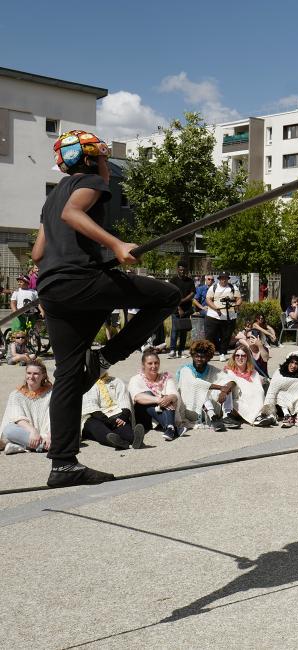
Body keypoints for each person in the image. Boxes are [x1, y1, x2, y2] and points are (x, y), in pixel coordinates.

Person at [33, 130, 181, 487]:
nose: (108, 169)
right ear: (90, 161)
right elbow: (73, 213)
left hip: (52, 289)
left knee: (69, 376)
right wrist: (115, 245)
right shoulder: (89, 183)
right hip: (80, 280)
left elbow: (38, 253)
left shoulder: (51, 199)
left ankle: (64, 465)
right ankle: (105, 357)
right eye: (104, 160)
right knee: (168, 296)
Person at [176, 339, 239, 432]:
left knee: (227, 385)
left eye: (203, 357)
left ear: (208, 357)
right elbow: (195, 383)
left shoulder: (211, 369)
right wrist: (220, 388)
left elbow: (231, 380)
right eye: (196, 356)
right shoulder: (185, 370)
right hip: (192, 410)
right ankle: (213, 418)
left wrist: (225, 390)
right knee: (201, 388)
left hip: (208, 407)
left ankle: (227, 417)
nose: (199, 359)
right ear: (192, 355)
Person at [128, 349, 183, 441]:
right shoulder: (136, 379)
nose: (154, 366)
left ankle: (170, 428)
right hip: (144, 417)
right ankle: (173, 427)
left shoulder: (165, 377)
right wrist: (159, 400)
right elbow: (137, 397)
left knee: (170, 398)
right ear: (143, 365)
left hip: (163, 412)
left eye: (156, 363)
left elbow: (174, 394)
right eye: (150, 363)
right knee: (147, 394)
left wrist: (169, 397)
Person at [81, 373, 145, 450]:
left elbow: (124, 401)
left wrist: (123, 417)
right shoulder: (87, 384)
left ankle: (134, 439)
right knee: (98, 428)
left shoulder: (116, 381)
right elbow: (92, 407)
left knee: (124, 429)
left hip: (115, 415)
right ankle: (117, 442)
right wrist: (110, 421)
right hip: (94, 417)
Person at [0, 360, 52, 455]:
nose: (31, 377)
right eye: (28, 373)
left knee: (70, 432)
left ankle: (21, 446)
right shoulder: (16, 394)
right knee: (8, 430)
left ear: (43, 375)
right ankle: (43, 446)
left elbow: (57, 416)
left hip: (48, 433)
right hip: (27, 433)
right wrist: (33, 431)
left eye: (36, 374)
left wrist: (50, 434)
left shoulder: (52, 392)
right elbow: (18, 418)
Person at [260, 350, 298, 428]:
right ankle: (287, 416)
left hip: (296, 404)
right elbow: (273, 389)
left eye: (296, 363)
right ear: (287, 363)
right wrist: (267, 409)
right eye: (291, 362)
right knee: (280, 393)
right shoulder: (279, 372)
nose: (293, 366)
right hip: (281, 406)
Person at [222, 345, 267, 426]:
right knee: (236, 402)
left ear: (247, 358)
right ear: (234, 357)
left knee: (259, 392)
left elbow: (259, 391)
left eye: (243, 355)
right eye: (237, 355)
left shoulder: (254, 372)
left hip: (254, 401)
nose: (240, 358)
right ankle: (255, 417)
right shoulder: (229, 372)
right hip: (237, 402)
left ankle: (259, 415)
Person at [205, 271, 241, 361]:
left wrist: (237, 305)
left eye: (225, 278)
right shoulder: (214, 287)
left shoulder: (233, 287)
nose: (223, 280)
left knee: (226, 336)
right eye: (221, 278)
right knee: (210, 336)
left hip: (229, 316)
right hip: (214, 315)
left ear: (228, 279)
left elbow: (239, 298)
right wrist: (216, 308)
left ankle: (222, 353)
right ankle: (206, 353)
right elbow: (208, 299)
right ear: (219, 279)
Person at [168, 262, 197, 359]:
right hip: (176, 309)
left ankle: (181, 350)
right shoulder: (173, 280)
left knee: (184, 330)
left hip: (187, 309)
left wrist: (182, 301)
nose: (182, 271)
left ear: (187, 271)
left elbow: (192, 293)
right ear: (177, 269)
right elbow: (172, 295)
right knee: (175, 330)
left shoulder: (190, 281)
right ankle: (172, 350)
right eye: (180, 269)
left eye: (184, 270)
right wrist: (179, 307)